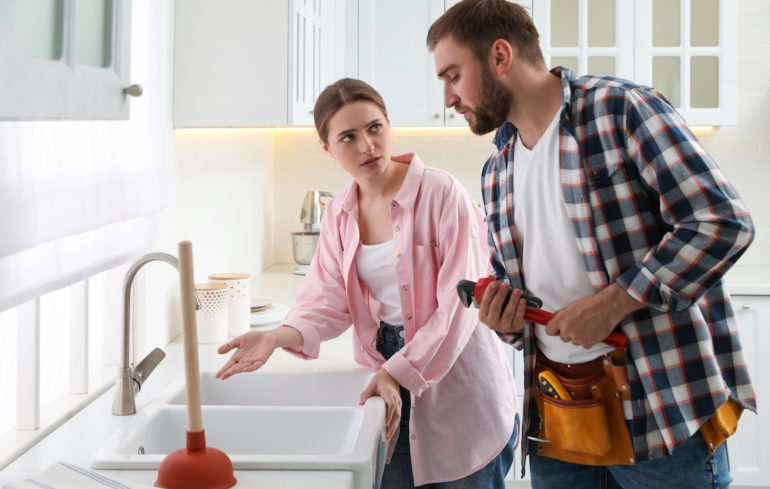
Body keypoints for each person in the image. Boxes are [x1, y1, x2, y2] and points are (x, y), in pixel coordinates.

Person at [426, 1, 756, 488]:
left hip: (662, 411)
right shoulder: (498, 168)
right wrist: (507, 321)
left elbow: (722, 220)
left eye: (453, 75)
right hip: (559, 420)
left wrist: (615, 303)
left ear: (500, 56)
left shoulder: (620, 109)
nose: (449, 97)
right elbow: (531, 298)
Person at [216, 78, 518, 488]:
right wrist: (275, 337)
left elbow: (458, 308)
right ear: (327, 148)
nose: (367, 146)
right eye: (348, 137)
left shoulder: (443, 194)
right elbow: (326, 298)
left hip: (457, 380)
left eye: (375, 127)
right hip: (383, 376)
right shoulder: (339, 213)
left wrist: (399, 371)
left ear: (389, 125)